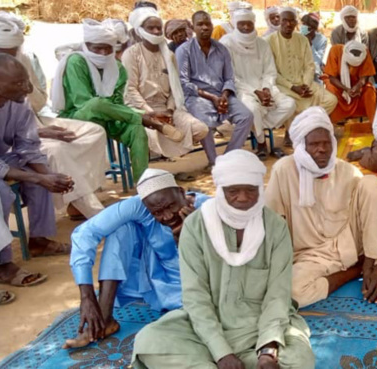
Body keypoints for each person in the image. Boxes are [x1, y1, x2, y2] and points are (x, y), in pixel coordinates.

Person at [132, 150, 316, 369]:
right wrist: (221, 353)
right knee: (149, 340)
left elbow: (278, 295)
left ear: (260, 188)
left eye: (250, 190)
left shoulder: (276, 227)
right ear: (220, 190)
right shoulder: (196, 226)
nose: (243, 198)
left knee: (299, 359)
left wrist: (268, 350)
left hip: (261, 326)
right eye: (233, 191)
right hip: (204, 331)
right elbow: (195, 297)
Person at [265, 107, 377, 307]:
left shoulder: (347, 171)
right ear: (302, 146)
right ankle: (356, 270)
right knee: (291, 292)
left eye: (326, 143)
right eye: (315, 144)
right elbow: (272, 223)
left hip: (351, 245)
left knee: (371, 184)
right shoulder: (284, 170)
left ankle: (368, 262)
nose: (322, 150)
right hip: (310, 255)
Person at [64, 169, 209, 348]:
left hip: (203, 282)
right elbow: (84, 233)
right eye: (157, 212)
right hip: (159, 279)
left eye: (171, 206)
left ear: (181, 192)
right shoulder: (139, 206)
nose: (167, 216)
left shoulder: (209, 208)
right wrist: (86, 295)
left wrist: (194, 234)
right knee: (121, 229)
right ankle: (105, 319)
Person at [0, 12, 107, 219]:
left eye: (13, 53)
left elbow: (35, 101)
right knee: (54, 153)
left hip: (33, 124)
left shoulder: (21, 64)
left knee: (92, 132)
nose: (9, 59)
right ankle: (87, 206)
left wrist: (37, 130)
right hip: (8, 149)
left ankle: (75, 199)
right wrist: (39, 174)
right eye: (4, 53)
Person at [51, 18, 170, 182]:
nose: (102, 53)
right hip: (77, 117)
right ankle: (141, 119)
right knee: (96, 104)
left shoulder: (118, 68)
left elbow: (116, 105)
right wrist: (139, 115)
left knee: (137, 130)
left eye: (107, 49)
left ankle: (142, 184)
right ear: (87, 46)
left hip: (109, 118)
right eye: (97, 48)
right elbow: (84, 103)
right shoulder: (76, 61)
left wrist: (143, 113)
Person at [0, 54, 72, 289]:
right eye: (18, 83)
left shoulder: (19, 102)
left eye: (26, 80)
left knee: (40, 173)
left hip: (2, 157)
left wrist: (46, 177)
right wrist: (38, 177)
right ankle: (3, 264)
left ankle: (39, 241)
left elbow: (27, 145)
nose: (27, 88)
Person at [123, 8, 210, 161]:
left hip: (167, 108)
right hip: (141, 109)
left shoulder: (168, 55)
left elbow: (174, 88)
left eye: (158, 27)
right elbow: (130, 89)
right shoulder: (131, 54)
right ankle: (149, 168)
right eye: (151, 28)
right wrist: (150, 111)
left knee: (200, 129)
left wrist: (169, 110)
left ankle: (168, 145)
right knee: (146, 136)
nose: (156, 31)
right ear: (139, 30)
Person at [177, 11, 254, 167]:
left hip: (222, 95)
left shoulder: (221, 49)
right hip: (198, 97)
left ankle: (228, 158)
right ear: (192, 27)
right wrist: (212, 98)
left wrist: (224, 96)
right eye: (200, 24)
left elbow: (229, 78)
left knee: (246, 116)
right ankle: (214, 162)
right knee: (203, 124)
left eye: (208, 24)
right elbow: (184, 83)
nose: (205, 27)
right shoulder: (184, 50)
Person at [219, 6, 296, 159]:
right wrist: (255, 92)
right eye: (242, 23)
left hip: (265, 87)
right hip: (241, 89)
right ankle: (262, 143)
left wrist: (266, 89)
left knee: (290, 104)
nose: (246, 27)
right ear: (235, 24)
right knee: (252, 109)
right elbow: (230, 76)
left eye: (249, 23)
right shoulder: (226, 43)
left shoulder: (262, 43)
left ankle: (256, 127)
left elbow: (270, 70)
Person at [269, 8, 338, 121]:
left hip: (305, 84)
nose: (288, 24)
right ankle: (293, 130)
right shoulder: (269, 41)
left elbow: (310, 65)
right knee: (289, 104)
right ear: (279, 21)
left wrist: (305, 84)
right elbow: (272, 72)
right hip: (283, 86)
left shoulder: (302, 39)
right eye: (285, 20)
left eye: (292, 21)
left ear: (296, 23)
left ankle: (307, 124)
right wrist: (293, 87)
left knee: (331, 100)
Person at [323, 40, 377, 124]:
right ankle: (336, 120)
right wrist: (346, 89)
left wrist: (357, 86)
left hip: (357, 88)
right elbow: (332, 78)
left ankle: (374, 124)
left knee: (370, 91)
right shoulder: (335, 50)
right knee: (330, 89)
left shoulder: (365, 52)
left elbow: (365, 76)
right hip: (339, 86)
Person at [301, 12, 328, 83]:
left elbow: (318, 60)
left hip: (314, 71)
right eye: (303, 25)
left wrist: (310, 44)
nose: (304, 28)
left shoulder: (322, 39)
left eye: (307, 27)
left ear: (313, 29)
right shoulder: (297, 37)